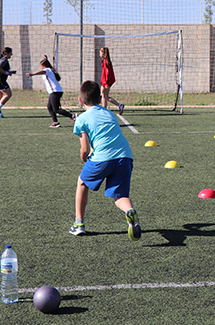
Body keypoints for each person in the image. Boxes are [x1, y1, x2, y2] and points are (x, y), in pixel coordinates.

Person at [70, 80, 141, 241]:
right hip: (125, 156)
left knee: (82, 182)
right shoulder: (109, 113)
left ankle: (79, 224)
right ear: (100, 98)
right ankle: (129, 211)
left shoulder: (81, 119)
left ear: (80, 100)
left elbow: (84, 148)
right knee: (120, 196)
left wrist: (83, 157)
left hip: (103, 158)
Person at [28, 55, 75, 128]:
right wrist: (45, 59)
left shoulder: (48, 70)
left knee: (56, 109)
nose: (41, 68)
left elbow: (43, 71)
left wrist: (33, 74)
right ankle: (56, 122)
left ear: (44, 66)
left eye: (41, 66)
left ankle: (72, 116)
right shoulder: (49, 69)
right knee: (49, 107)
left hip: (55, 91)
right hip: (55, 92)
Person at [99, 47, 124, 115]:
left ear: (103, 53)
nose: (100, 53)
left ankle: (104, 110)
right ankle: (119, 105)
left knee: (104, 95)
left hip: (106, 82)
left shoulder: (106, 62)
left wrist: (107, 82)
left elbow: (107, 73)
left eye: (100, 52)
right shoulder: (105, 61)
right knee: (105, 96)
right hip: (104, 81)